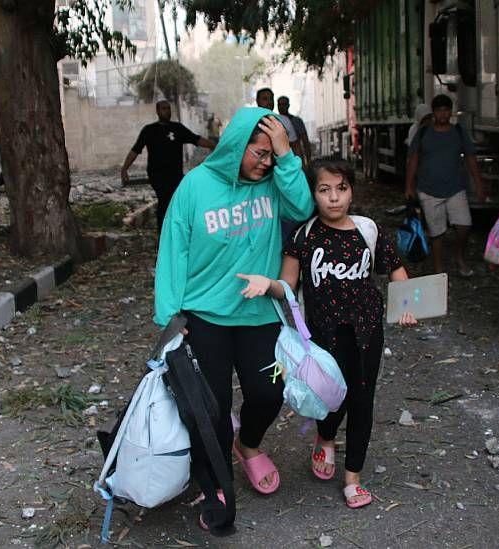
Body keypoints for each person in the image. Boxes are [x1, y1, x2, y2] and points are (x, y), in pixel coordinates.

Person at [153, 107, 314, 527]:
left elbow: (301, 207)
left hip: (259, 313)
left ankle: (249, 444)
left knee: (268, 393)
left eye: (271, 155)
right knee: (213, 405)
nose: (265, 162)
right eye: (259, 153)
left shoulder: (274, 182)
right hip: (205, 316)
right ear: (236, 147)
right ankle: (217, 480)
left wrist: (286, 157)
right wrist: (171, 318)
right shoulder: (194, 188)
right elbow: (174, 251)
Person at [236, 159, 416, 509]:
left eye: (342, 188)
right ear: (313, 194)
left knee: (362, 401)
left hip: (366, 333)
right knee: (332, 396)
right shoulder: (303, 235)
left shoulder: (368, 230)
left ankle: (352, 477)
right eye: (324, 190)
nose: (334, 198)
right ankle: (327, 435)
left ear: (351, 191)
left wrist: (408, 306)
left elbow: (396, 270)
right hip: (320, 337)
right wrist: (267, 284)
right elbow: (288, 286)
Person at [404, 94, 485, 276]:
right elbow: (413, 160)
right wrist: (409, 186)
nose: (443, 114)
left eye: (446, 110)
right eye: (439, 110)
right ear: (434, 112)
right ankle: (439, 268)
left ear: (450, 112)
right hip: (428, 189)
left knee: (464, 225)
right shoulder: (424, 132)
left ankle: (459, 257)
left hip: (455, 188)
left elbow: (471, 158)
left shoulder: (458, 132)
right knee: (436, 233)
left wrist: (479, 183)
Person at [121, 100, 216, 234]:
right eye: (164, 109)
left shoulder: (177, 128)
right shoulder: (149, 130)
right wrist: (125, 168)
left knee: (180, 200)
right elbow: (135, 150)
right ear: (158, 111)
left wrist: (214, 145)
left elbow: (196, 139)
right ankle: (164, 235)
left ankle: (179, 231)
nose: (167, 111)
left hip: (175, 174)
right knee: (165, 201)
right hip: (157, 175)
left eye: (168, 109)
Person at [255, 88, 304, 160]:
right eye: (265, 99)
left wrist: (300, 167)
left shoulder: (284, 120)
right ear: (257, 101)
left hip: (282, 167)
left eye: (271, 99)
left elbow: (295, 146)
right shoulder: (252, 122)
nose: (269, 102)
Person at [277, 96, 311, 164]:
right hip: (281, 158)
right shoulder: (275, 120)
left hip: (296, 156)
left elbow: (305, 141)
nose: (281, 107)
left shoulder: (297, 121)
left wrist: (308, 159)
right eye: (280, 104)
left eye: (284, 104)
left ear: (288, 105)